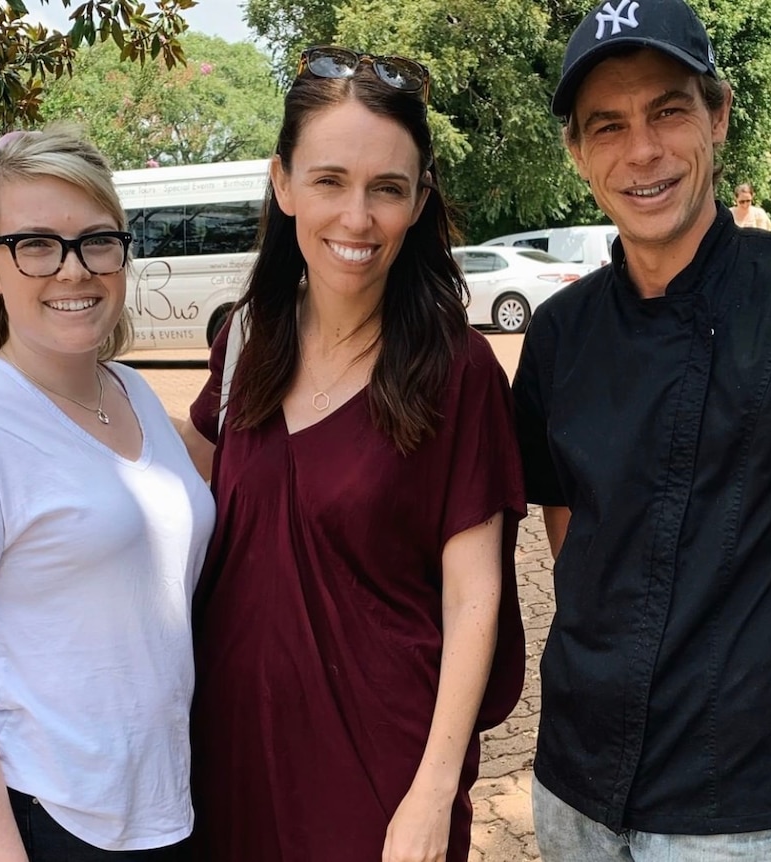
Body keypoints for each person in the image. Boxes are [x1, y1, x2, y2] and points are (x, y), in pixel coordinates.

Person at [180, 45, 526, 862]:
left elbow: (475, 599)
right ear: (283, 182)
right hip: (229, 756)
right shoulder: (244, 342)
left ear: (418, 201)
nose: (357, 219)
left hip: (382, 772)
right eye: (330, 180)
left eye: (388, 189)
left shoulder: (457, 369)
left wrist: (434, 791)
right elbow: (166, 501)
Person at [512, 0, 771, 858]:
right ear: (577, 153)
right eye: (607, 126)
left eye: (668, 110)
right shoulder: (558, 334)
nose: (641, 151)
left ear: (718, 116)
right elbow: (568, 528)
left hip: (737, 800)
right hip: (575, 780)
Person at [0, 126, 215, 861]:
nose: (73, 270)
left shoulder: (131, 390)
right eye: (36, 244)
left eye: (97, 241)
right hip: (54, 817)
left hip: (167, 801)